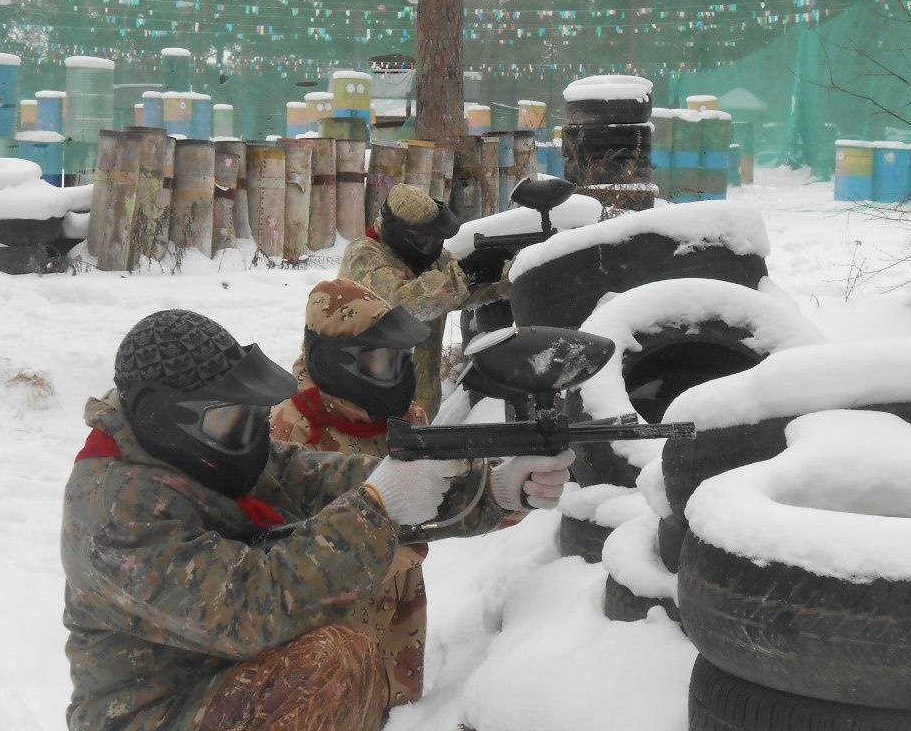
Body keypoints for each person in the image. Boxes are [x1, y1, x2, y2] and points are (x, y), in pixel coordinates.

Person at [60, 308, 573, 731]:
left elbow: (334, 480)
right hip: (153, 712)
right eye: (228, 417)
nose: (249, 433)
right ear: (158, 413)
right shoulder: (114, 509)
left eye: (251, 416)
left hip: (220, 681)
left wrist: (494, 489)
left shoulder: (199, 453)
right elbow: (251, 607)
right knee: (329, 662)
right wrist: (379, 508)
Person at [270, 277, 435, 707]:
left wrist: (507, 493)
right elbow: (300, 554)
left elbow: (442, 493)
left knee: (400, 710)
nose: (396, 375)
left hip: (399, 606)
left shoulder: (402, 416)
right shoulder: (293, 430)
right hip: (331, 622)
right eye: (382, 362)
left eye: (401, 360)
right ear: (337, 362)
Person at [339, 183, 511, 419]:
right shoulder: (363, 257)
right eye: (425, 240)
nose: (433, 248)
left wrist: (512, 274)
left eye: (436, 239)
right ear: (398, 232)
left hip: (416, 413)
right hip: (363, 410)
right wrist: (466, 273)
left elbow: (462, 291)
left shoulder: (430, 259)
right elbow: (403, 306)